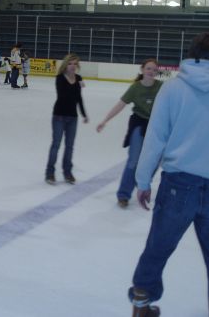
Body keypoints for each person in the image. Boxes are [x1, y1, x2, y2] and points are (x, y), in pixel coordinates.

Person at [128, 33, 209, 317]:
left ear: (191, 53)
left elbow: (155, 138)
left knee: (158, 248)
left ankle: (142, 303)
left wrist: (143, 181)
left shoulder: (172, 90)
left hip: (177, 187)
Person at [96, 59, 162, 208]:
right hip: (138, 124)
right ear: (142, 70)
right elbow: (120, 105)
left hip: (156, 127)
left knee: (156, 160)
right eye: (148, 69)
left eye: (154, 70)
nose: (151, 72)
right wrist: (105, 120)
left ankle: (142, 183)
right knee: (133, 161)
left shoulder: (161, 87)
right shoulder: (135, 88)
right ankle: (123, 195)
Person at [45, 53, 89, 185]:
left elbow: (78, 98)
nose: (73, 66)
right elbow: (63, 96)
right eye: (70, 63)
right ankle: (50, 172)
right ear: (65, 65)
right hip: (59, 115)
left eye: (75, 64)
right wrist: (75, 84)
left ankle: (67, 172)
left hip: (73, 117)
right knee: (56, 145)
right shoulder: (60, 78)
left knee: (70, 146)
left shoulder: (79, 78)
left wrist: (84, 114)